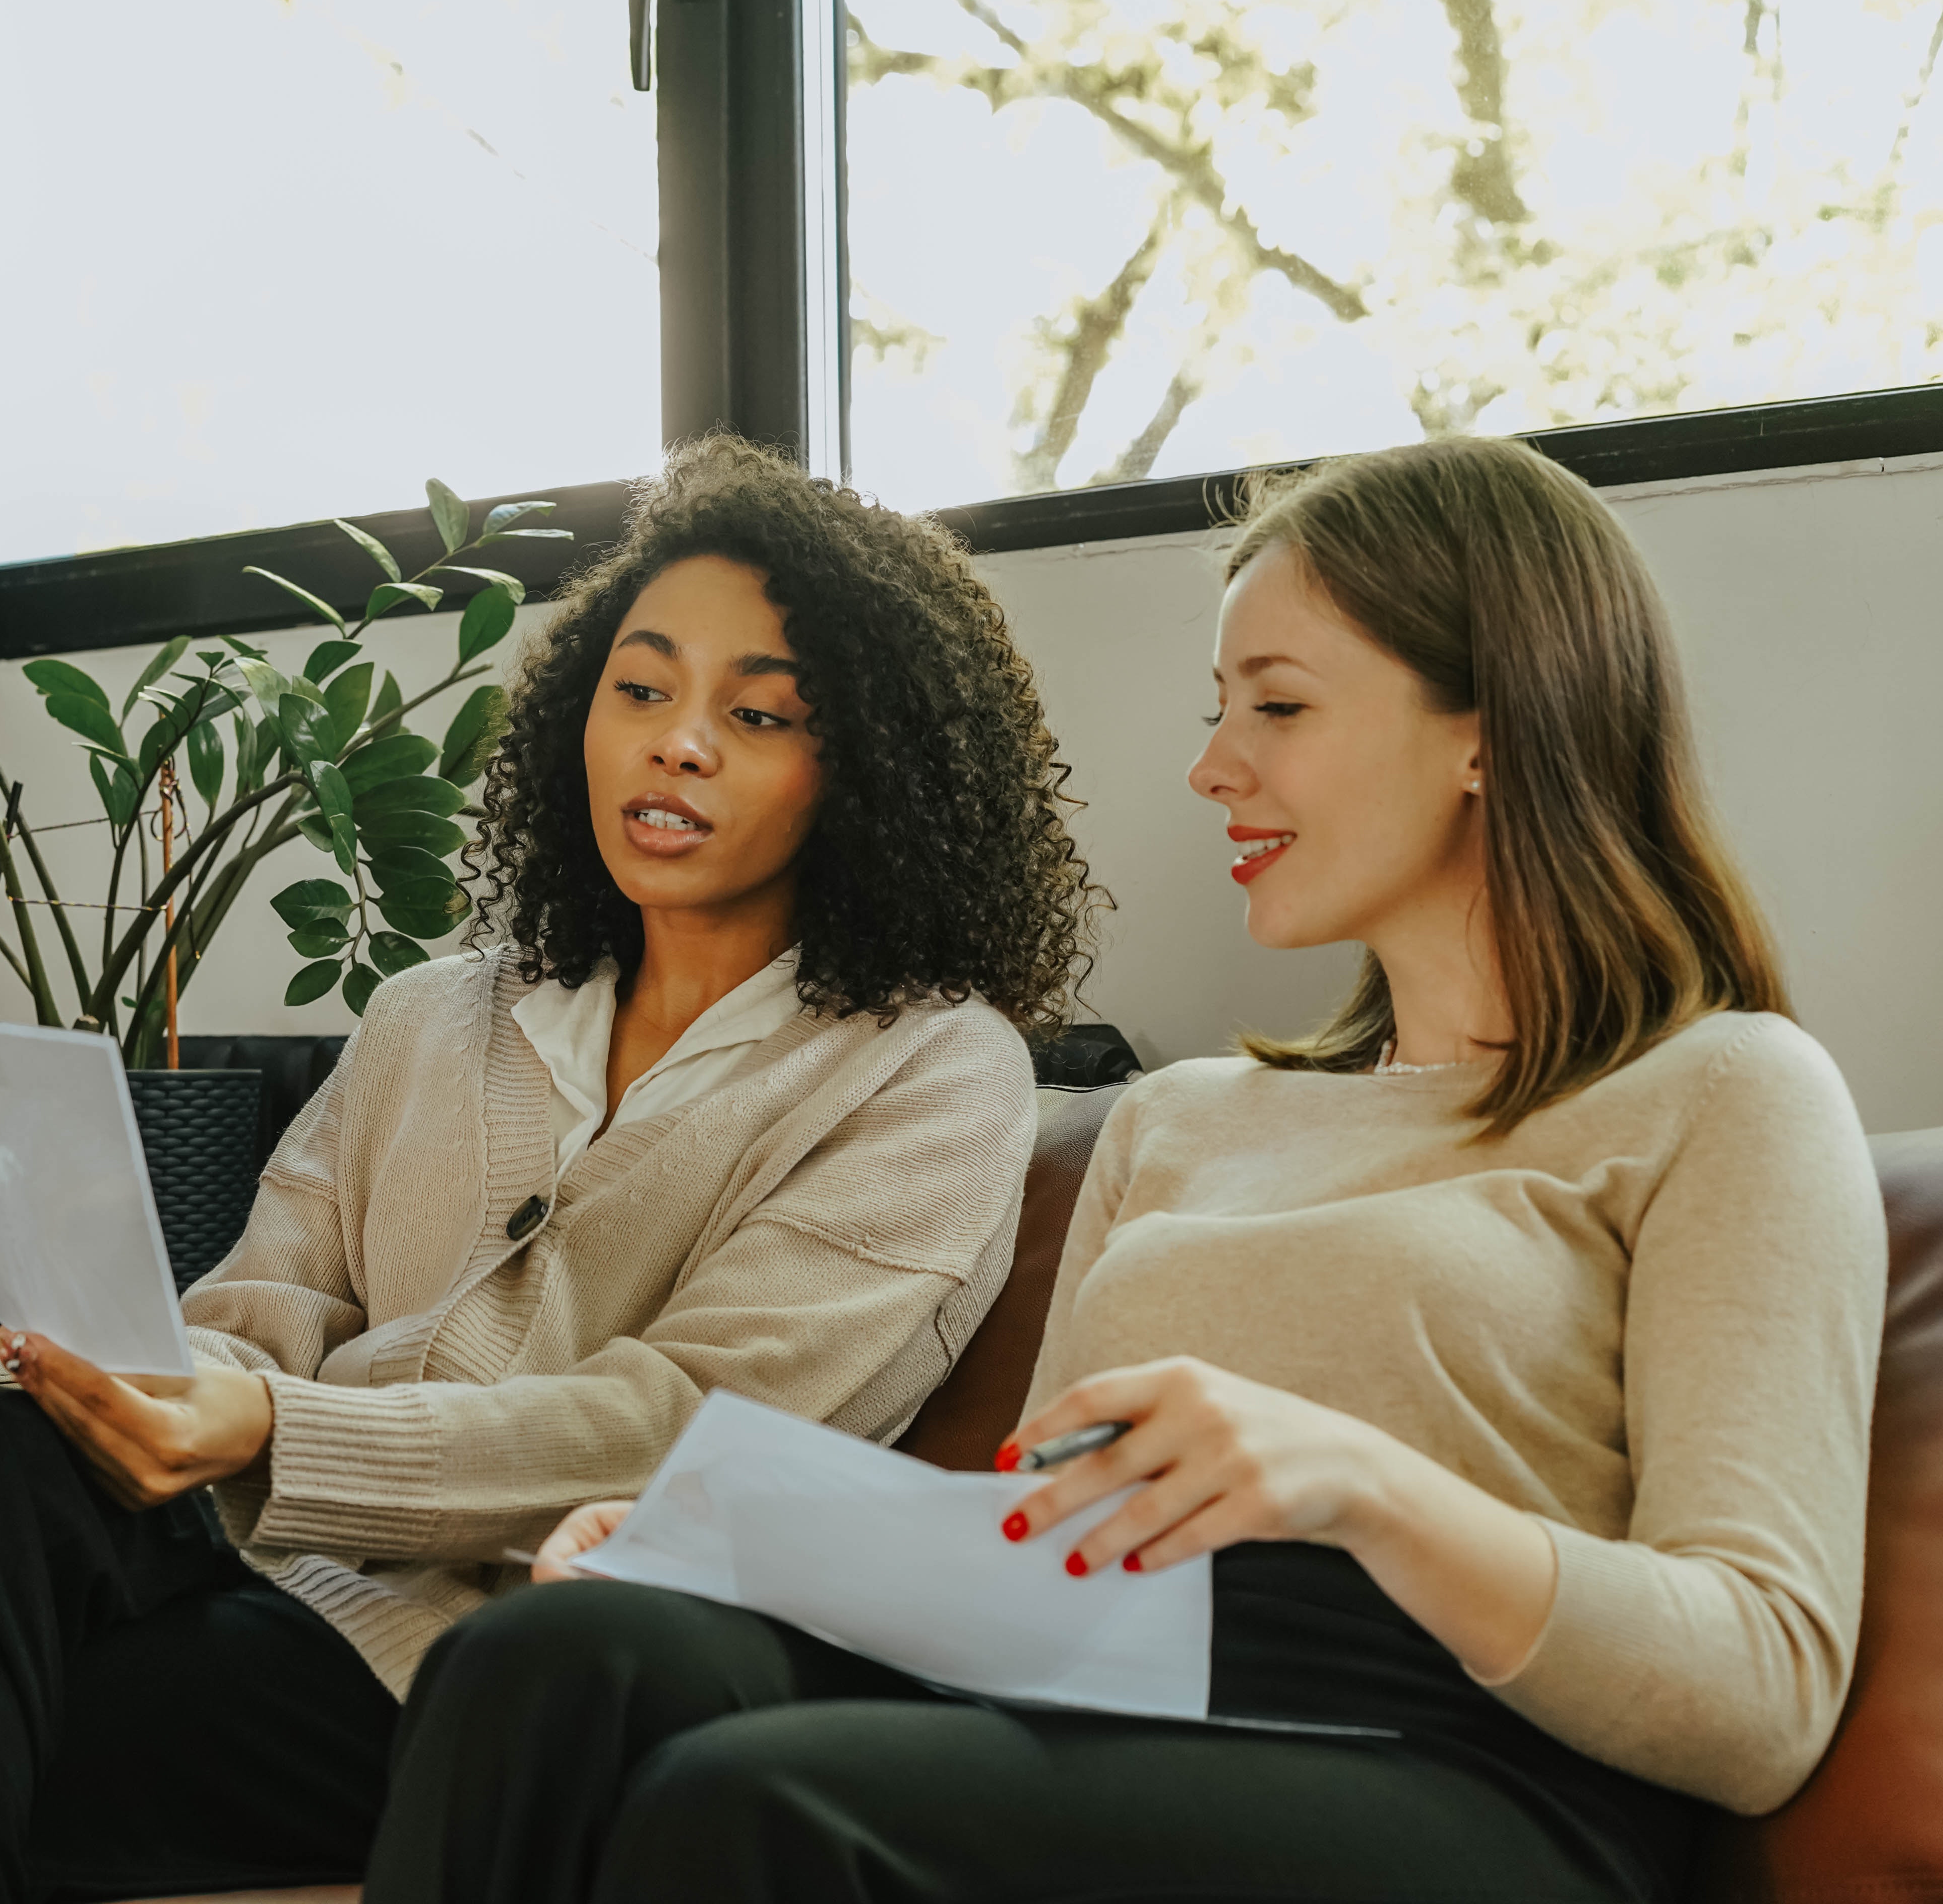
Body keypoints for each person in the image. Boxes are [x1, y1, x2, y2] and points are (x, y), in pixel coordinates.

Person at [371, 434, 1884, 1904]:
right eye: (1220, 709)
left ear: (1488, 723)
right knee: (554, 1660)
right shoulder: (1184, 1120)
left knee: (754, 1808)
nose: (1214, 767)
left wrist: (1364, 1484)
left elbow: (1759, 1692)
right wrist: (720, 1545)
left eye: (1277, 707)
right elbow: (1026, 1566)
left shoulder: (1725, 1092)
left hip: (1464, 1765)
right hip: (1113, 1688)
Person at [0, 435, 1106, 1901]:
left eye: (762, 716)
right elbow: (268, 1305)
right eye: (640, 690)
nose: (678, 743)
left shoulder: (930, 1067)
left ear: (871, 770)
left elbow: (687, 1437)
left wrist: (269, 1433)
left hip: (467, 1657)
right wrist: (142, 1373)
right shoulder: (434, 1012)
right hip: (240, 1560)